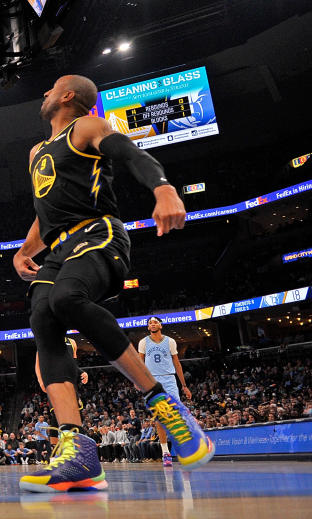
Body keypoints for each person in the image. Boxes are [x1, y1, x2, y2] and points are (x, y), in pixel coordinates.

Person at [12, 75, 214, 493]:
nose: (44, 92)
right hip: (57, 248)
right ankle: (79, 451)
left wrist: (163, 186)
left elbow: (126, 149)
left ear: (68, 96)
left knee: (67, 297)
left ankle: (162, 401)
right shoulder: (36, 152)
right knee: (42, 317)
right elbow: (45, 210)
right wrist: (23, 250)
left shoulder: (84, 126)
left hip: (98, 233)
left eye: (51, 87)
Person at [138, 316, 193, 467]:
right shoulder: (143, 342)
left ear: (161, 325)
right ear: (148, 327)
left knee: (176, 413)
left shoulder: (170, 341)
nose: (153, 324)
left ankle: (183, 448)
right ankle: (165, 453)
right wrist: (138, 380)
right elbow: (139, 363)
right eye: (150, 323)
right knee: (160, 417)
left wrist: (184, 385)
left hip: (169, 379)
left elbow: (177, 364)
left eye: (155, 322)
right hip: (152, 381)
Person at [35, 337, 88, 449]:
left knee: (76, 414)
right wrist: (41, 382)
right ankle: (55, 452)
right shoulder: (45, 339)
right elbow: (38, 364)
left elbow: (72, 364)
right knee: (56, 416)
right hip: (53, 382)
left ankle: (76, 449)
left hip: (70, 382)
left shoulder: (72, 342)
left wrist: (82, 372)